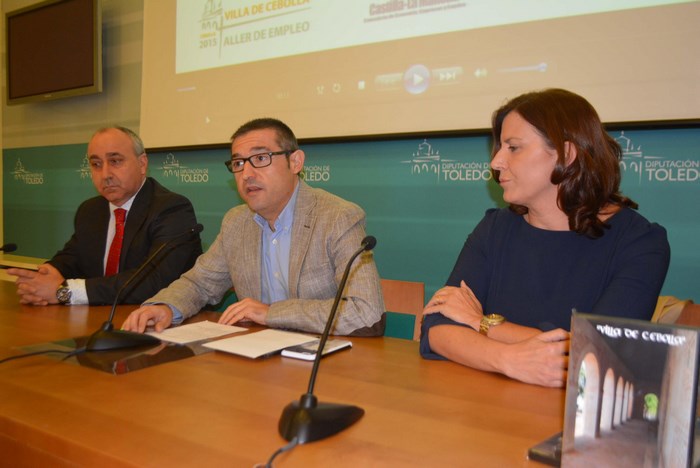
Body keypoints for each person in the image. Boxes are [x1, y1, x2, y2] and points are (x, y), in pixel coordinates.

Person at [420, 89, 670, 388]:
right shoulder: (495, 228)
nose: (496, 162)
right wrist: (508, 360)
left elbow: (599, 354)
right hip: (488, 410)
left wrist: (481, 323)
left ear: (567, 154)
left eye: (513, 147)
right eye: (499, 147)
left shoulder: (640, 243)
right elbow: (438, 326)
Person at [121, 118, 385, 336]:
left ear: (295, 162)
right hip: (256, 362)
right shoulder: (237, 222)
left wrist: (271, 313)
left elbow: (366, 312)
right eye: (238, 163)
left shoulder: (337, 217)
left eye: (260, 158)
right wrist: (166, 307)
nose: (246, 174)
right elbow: (200, 284)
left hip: (322, 366)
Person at [7, 126, 202, 306]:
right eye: (96, 164)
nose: (105, 174)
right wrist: (45, 276)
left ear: (142, 164)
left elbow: (154, 280)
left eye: (115, 161)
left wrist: (64, 291)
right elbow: (73, 257)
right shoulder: (91, 210)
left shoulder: (171, 209)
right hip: (100, 319)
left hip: (157, 323)